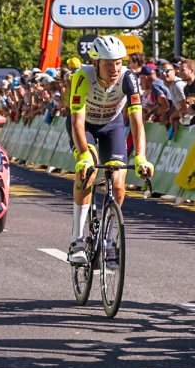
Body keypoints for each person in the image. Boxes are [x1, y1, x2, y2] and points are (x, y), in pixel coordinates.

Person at [65, 35, 154, 264]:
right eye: (108, 63)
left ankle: (107, 238)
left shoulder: (128, 79)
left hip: (112, 126)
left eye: (118, 62)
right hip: (84, 127)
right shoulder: (82, 76)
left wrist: (141, 156)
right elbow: (77, 122)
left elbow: (137, 122)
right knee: (88, 171)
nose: (114, 68)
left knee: (118, 183)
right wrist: (84, 154)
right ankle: (77, 240)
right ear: (96, 63)